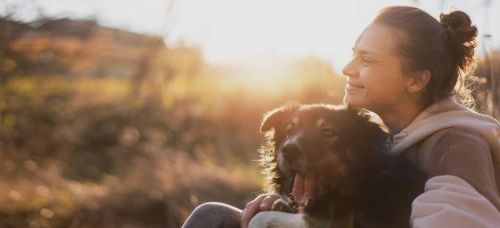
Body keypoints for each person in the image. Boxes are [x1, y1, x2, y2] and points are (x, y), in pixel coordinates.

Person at [182, 5, 500, 228]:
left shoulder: (457, 145)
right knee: (214, 217)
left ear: (415, 80)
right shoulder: (388, 139)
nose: (347, 69)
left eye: (367, 59)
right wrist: (287, 207)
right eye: (352, 54)